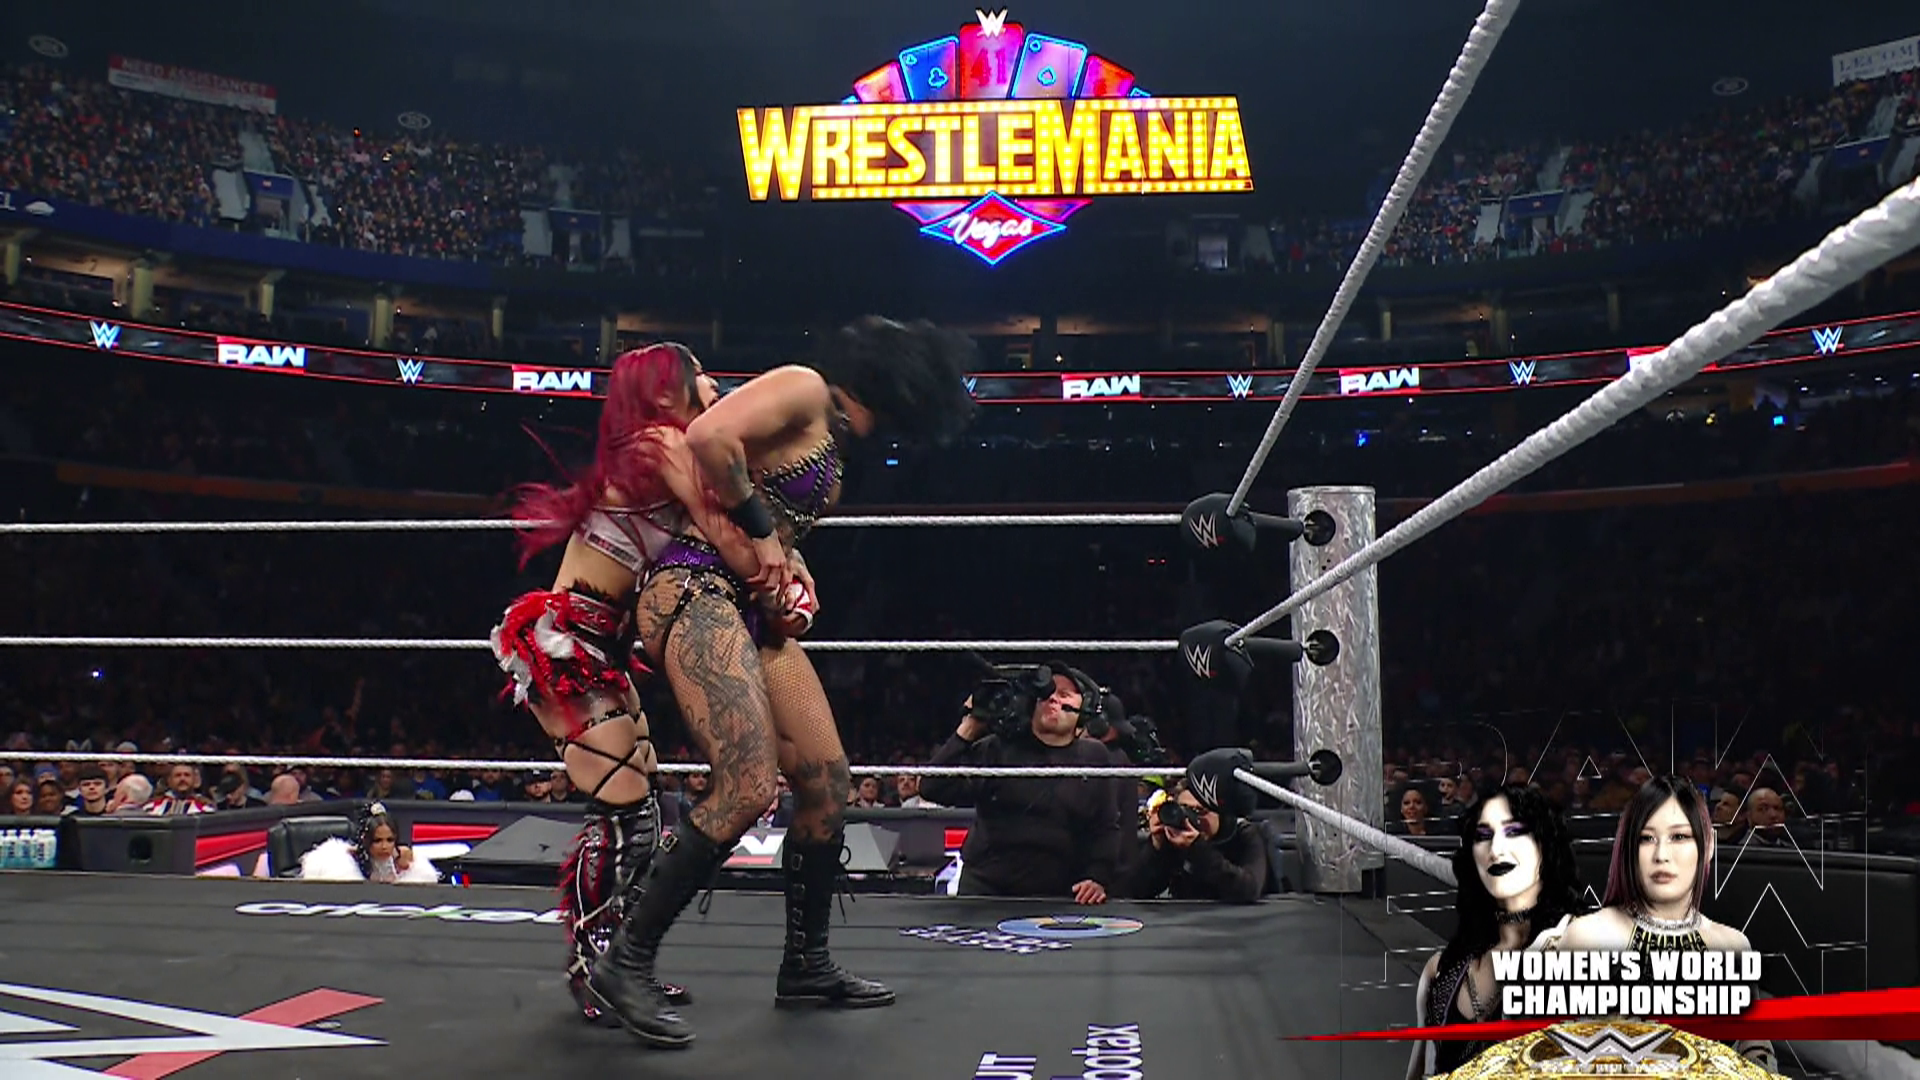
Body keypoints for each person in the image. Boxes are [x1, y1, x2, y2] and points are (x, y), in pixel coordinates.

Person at [589, 316, 978, 1049]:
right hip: (694, 589)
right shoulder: (803, 387)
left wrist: (790, 564)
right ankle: (625, 960)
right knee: (745, 785)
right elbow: (710, 438)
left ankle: (807, 963)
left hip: (748, 607)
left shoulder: (831, 431)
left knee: (828, 780)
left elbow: (768, 513)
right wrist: (767, 535)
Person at [492, 343, 765, 1025]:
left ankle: (618, 965)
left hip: (599, 645)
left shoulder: (665, 448)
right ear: (665, 392)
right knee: (626, 815)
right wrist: (773, 566)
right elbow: (722, 532)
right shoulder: (660, 442)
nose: (713, 382)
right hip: (569, 642)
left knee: (645, 813)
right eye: (698, 374)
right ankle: (593, 969)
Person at [1532, 775, 1774, 1071]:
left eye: (1679, 837)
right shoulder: (1586, 936)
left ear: (1708, 845)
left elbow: (1758, 1055)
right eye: (1646, 838)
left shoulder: (1733, 946)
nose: (1661, 855)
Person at [1407, 784, 1589, 1079]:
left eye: (1514, 831)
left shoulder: (1584, 956)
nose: (1496, 849)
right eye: (1483, 836)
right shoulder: (1442, 971)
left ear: (1544, 845)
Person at [920, 664, 1122, 902]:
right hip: (986, 890)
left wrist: (1097, 877)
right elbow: (932, 787)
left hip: (1059, 894)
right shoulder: (996, 749)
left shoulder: (1094, 756)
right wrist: (969, 727)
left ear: (1084, 709)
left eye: (1064, 694)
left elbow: (1105, 827)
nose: (1053, 699)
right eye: (1047, 693)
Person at [1124, 769, 1269, 904]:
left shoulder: (1243, 834)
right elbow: (1135, 892)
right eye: (1185, 809)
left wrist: (1197, 848)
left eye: (1200, 811)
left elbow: (1249, 890)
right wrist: (1156, 848)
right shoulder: (1175, 836)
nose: (1193, 818)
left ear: (1220, 812)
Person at [298, 803, 439, 884]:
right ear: (366, 840)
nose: (384, 846)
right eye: (377, 840)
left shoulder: (404, 859)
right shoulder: (349, 861)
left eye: (389, 840)